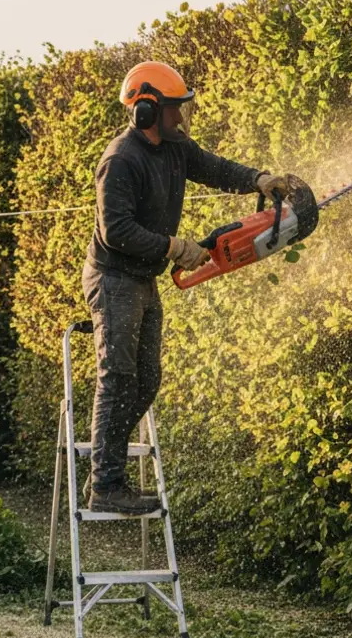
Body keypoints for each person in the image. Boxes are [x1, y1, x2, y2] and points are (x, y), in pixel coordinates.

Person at [83, 61, 293, 515]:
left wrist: (257, 178)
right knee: (117, 378)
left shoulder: (175, 146)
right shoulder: (120, 160)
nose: (183, 117)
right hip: (114, 277)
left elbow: (212, 167)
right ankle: (106, 484)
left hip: (143, 278)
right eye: (175, 109)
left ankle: (107, 468)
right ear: (146, 111)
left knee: (146, 380)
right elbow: (115, 229)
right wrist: (176, 247)